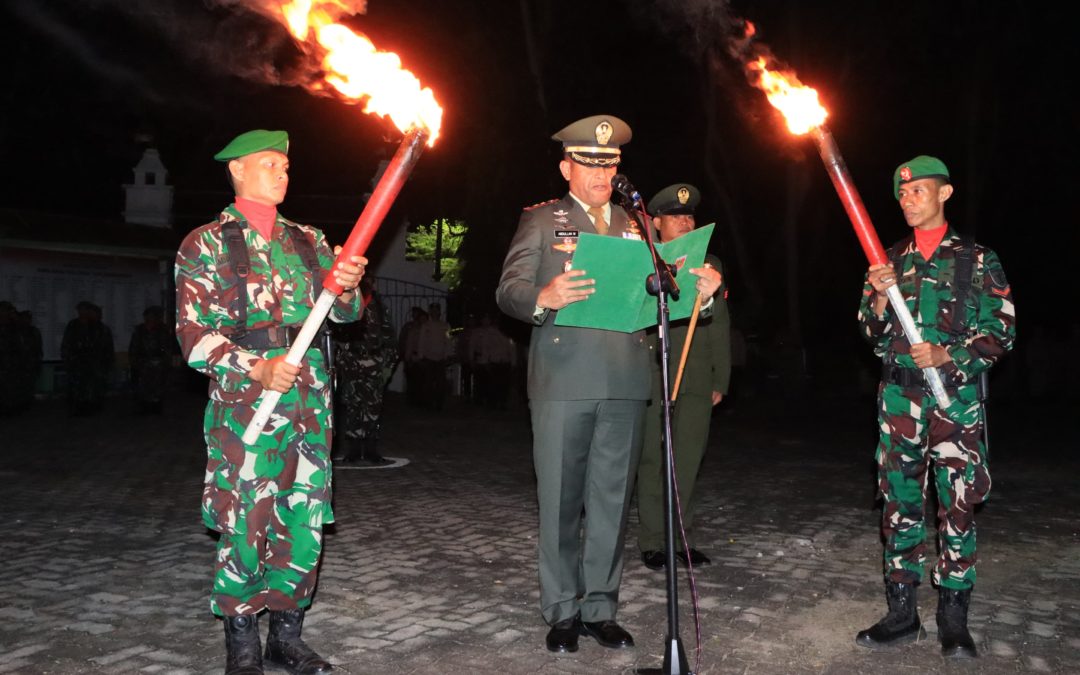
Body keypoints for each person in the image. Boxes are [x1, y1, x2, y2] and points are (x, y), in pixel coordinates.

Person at [496, 115, 721, 654]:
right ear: (567, 167)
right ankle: (562, 612)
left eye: (610, 163)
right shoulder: (543, 221)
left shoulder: (637, 224)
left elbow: (662, 299)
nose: (602, 171)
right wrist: (542, 297)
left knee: (611, 500)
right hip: (564, 378)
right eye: (591, 162)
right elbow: (509, 290)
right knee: (559, 498)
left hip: (625, 378)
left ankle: (601, 608)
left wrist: (702, 292)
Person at [175, 129, 367, 675]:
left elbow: (346, 317)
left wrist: (350, 286)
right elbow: (192, 333)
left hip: (310, 400)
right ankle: (242, 642)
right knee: (246, 517)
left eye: (286, 165)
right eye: (269, 164)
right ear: (236, 170)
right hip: (246, 405)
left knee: (303, 515)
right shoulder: (205, 243)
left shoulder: (309, 239)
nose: (282, 173)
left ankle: (288, 634)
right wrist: (255, 366)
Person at [855, 156, 1015, 659]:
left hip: (955, 403)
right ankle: (902, 615)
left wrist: (952, 355)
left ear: (945, 193)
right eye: (902, 193)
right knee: (900, 504)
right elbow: (871, 335)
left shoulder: (976, 258)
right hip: (899, 400)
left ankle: (953, 619)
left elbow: (1003, 330)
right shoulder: (886, 260)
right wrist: (879, 300)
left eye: (918, 190)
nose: (908, 199)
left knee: (958, 506)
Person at [634, 183, 729, 571]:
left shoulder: (710, 265)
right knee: (654, 459)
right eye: (675, 216)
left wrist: (720, 378)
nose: (685, 221)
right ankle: (653, 541)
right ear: (656, 223)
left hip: (695, 375)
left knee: (687, 459)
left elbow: (720, 324)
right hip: (653, 374)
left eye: (689, 215)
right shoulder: (642, 262)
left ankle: (681, 538)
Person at [331, 277, 398, 465]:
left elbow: (389, 337)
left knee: (373, 407)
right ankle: (353, 449)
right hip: (352, 362)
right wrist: (341, 361)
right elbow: (338, 333)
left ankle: (370, 449)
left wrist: (387, 365)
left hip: (374, 363)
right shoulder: (348, 304)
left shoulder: (378, 307)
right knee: (353, 405)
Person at [61, 300, 115, 415]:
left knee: (95, 388)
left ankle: (92, 408)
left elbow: (107, 348)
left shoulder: (100, 328)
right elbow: (66, 344)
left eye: (85, 310)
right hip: (77, 362)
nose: (83, 312)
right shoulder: (73, 325)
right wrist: (68, 360)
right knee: (77, 388)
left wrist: (107, 364)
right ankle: (78, 408)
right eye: (80, 310)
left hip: (96, 364)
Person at [128, 305, 177, 414]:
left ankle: (156, 408)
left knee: (158, 388)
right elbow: (134, 347)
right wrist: (135, 362)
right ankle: (144, 408)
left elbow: (167, 347)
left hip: (158, 365)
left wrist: (166, 362)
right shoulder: (139, 330)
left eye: (152, 316)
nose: (149, 319)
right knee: (143, 388)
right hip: (143, 364)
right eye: (147, 316)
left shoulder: (162, 330)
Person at [416, 302, 451, 409]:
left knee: (441, 384)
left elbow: (448, 341)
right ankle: (429, 404)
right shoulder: (426, 325)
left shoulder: (445, 325)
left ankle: (439, 404)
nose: (435, 312)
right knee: (428, 383)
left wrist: (448, 355)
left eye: (437, 310)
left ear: (439, 312)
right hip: (428, 358)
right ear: (430, 312)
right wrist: (420, 357)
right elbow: (421, 342)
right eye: (433, 310)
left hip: (441, 358)